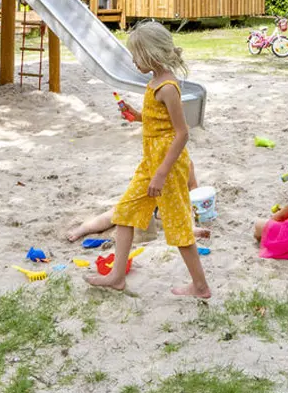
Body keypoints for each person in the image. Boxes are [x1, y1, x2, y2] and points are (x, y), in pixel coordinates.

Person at [85, 21, 210, 298]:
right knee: (125, 212)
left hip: (168, 167)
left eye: (136, 56)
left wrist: (161, 174)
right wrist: (138, 116)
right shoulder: (153, 83)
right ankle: (117, 276)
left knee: (178, 225)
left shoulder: (168, 87)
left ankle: (200, 286)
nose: (133, 61)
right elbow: (160, 121)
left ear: (152, 54)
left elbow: (182, 133)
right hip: (150, 162)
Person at [66, 160, 211, 243]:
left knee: (187, 209)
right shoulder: (154, 160)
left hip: (174, 206)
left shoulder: (187, 163)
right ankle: (83, 229)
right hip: (151, 203)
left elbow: (193, 187)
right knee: (114, 213)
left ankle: (191, 229)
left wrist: (194, 198)